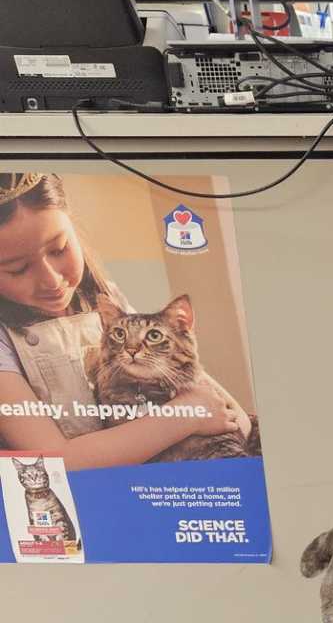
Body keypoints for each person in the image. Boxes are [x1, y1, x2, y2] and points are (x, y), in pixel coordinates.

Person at [0, 172, 246, 468]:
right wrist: (185, 417)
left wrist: (216, 413)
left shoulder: (105, 298)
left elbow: (224, 409)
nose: (51, 280)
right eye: (17, 269)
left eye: (59, 249)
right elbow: (56, 461)